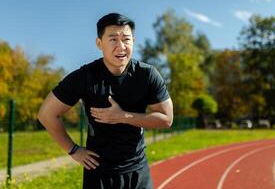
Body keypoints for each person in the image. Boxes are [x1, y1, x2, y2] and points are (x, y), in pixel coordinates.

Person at [38, 13, 173, 189]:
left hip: (137, 170)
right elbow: (46, 114)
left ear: (133, 40)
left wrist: (122, 116)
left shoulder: (147, 75)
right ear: (99, 43)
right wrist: (74, 150)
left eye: (126, 39)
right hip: (99, 171)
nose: (121, 46)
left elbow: (166, 119)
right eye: (113, 39)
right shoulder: (85, 77)